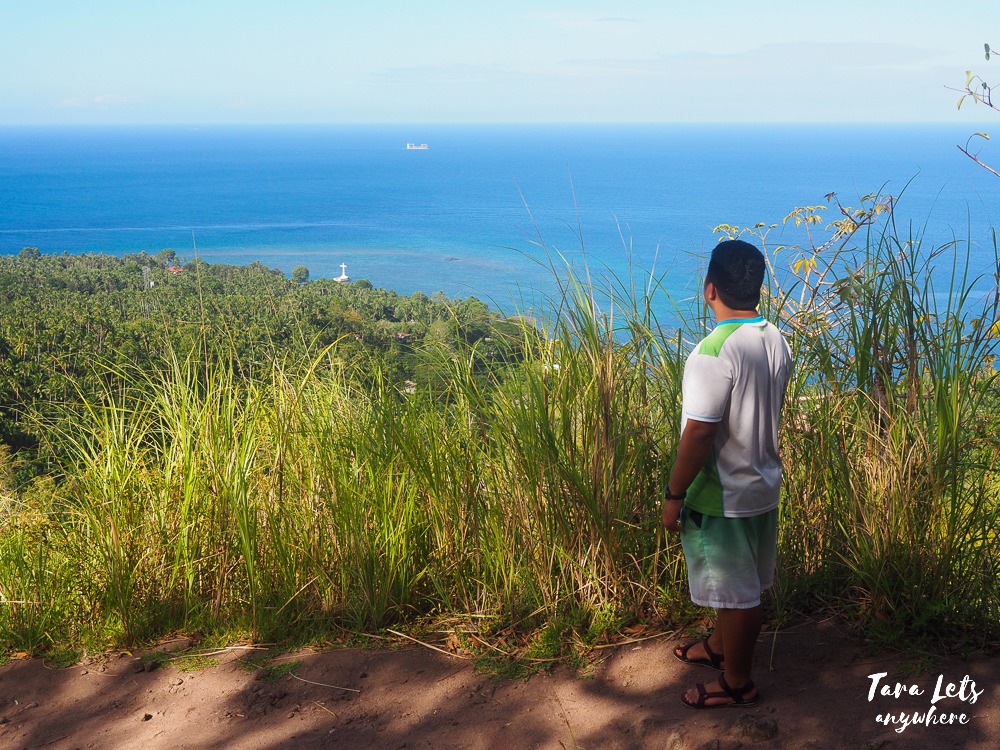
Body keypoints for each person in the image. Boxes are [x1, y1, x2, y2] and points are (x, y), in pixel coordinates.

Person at [661, 239, 792, 709]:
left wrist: (674, 494)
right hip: (761, 481)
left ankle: (737, 682)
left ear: (708, 288)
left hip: (722, 495)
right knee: (742, 585)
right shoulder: (775, 338)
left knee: (737, 594)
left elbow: (698, 434)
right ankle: (719, 647)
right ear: (756, 288)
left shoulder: (711, 353)